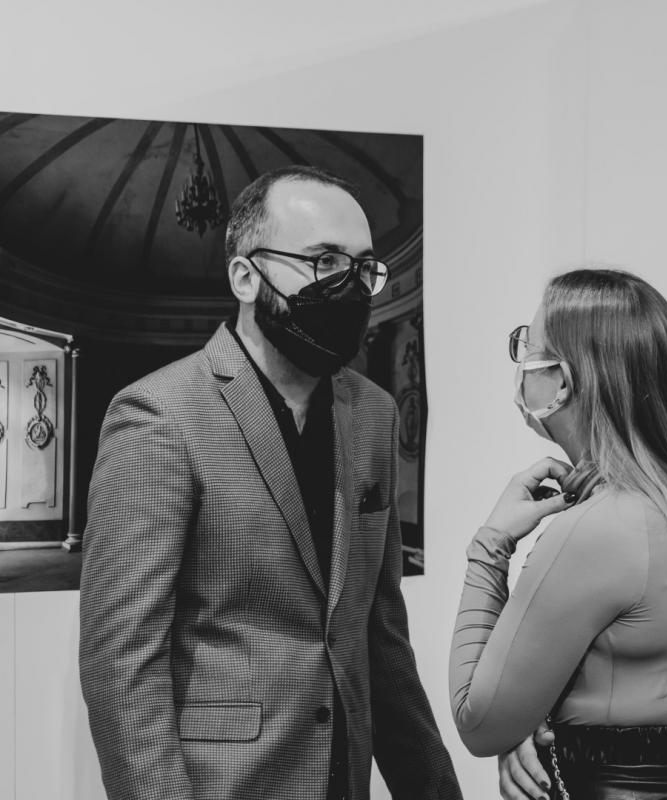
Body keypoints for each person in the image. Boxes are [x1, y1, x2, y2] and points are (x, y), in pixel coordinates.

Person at [80, 165, 462, 800]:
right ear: (245, 276)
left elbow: (380, 635)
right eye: (323, 261)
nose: (349, 286)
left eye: (363, 268)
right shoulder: (159, 415)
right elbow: (122, 667)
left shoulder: (374, 414)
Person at [449, 269, 667, 800]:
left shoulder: (596, 530)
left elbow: (479, 721)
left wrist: (491, 543)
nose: (521, 364)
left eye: (528, 346)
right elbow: (630, 685)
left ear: (562, 382)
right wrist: (534, 723)